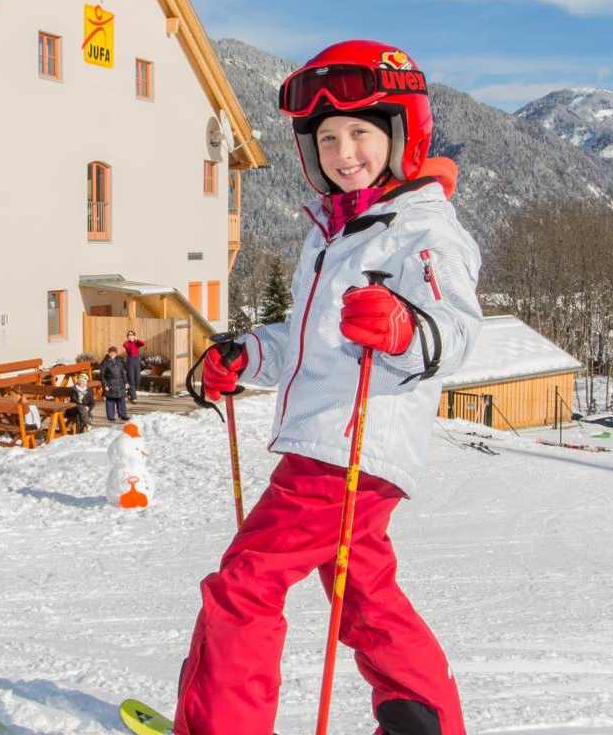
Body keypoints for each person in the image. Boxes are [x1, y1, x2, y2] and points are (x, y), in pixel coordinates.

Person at [175, 41, 484, 735]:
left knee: (243, 587)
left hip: (345, 449)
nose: (345, 153)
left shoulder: (420, 233)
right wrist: (247, 354)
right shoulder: (343, 230)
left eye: (361, 134)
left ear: (401, 135)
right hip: (342, 447)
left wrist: (404, 327)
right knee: (362, 593)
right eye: (328, 139)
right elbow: (312, 340)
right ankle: (423, 722)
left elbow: (456, 333)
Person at [99, 346, 130, 422]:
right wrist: (105, 385)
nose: (112, 354)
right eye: (111, 352)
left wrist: (126, 382)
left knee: (121, 400)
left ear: (116, 353)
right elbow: (102, 375)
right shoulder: (105, 362)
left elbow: (123, 373)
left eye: (114, 352)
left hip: (120, 383)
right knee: (110, 400)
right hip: (110, 384)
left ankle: (123, 415)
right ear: (108, 353)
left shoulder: (119, 360)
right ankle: (111, 416)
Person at [122, 330, 146, 401]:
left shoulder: (136, 342)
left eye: (132, 335)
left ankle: (129, 392)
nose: (130, 336)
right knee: (131, 379)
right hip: (130, 361)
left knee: (138, 378)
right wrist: (132, 341)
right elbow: (130, 350)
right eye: (129, 335)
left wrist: (136, 340)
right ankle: (133, 397)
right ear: (127, 336)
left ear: (134, 336)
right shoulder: (126, 343)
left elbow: (142, 343)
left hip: (137, 361)